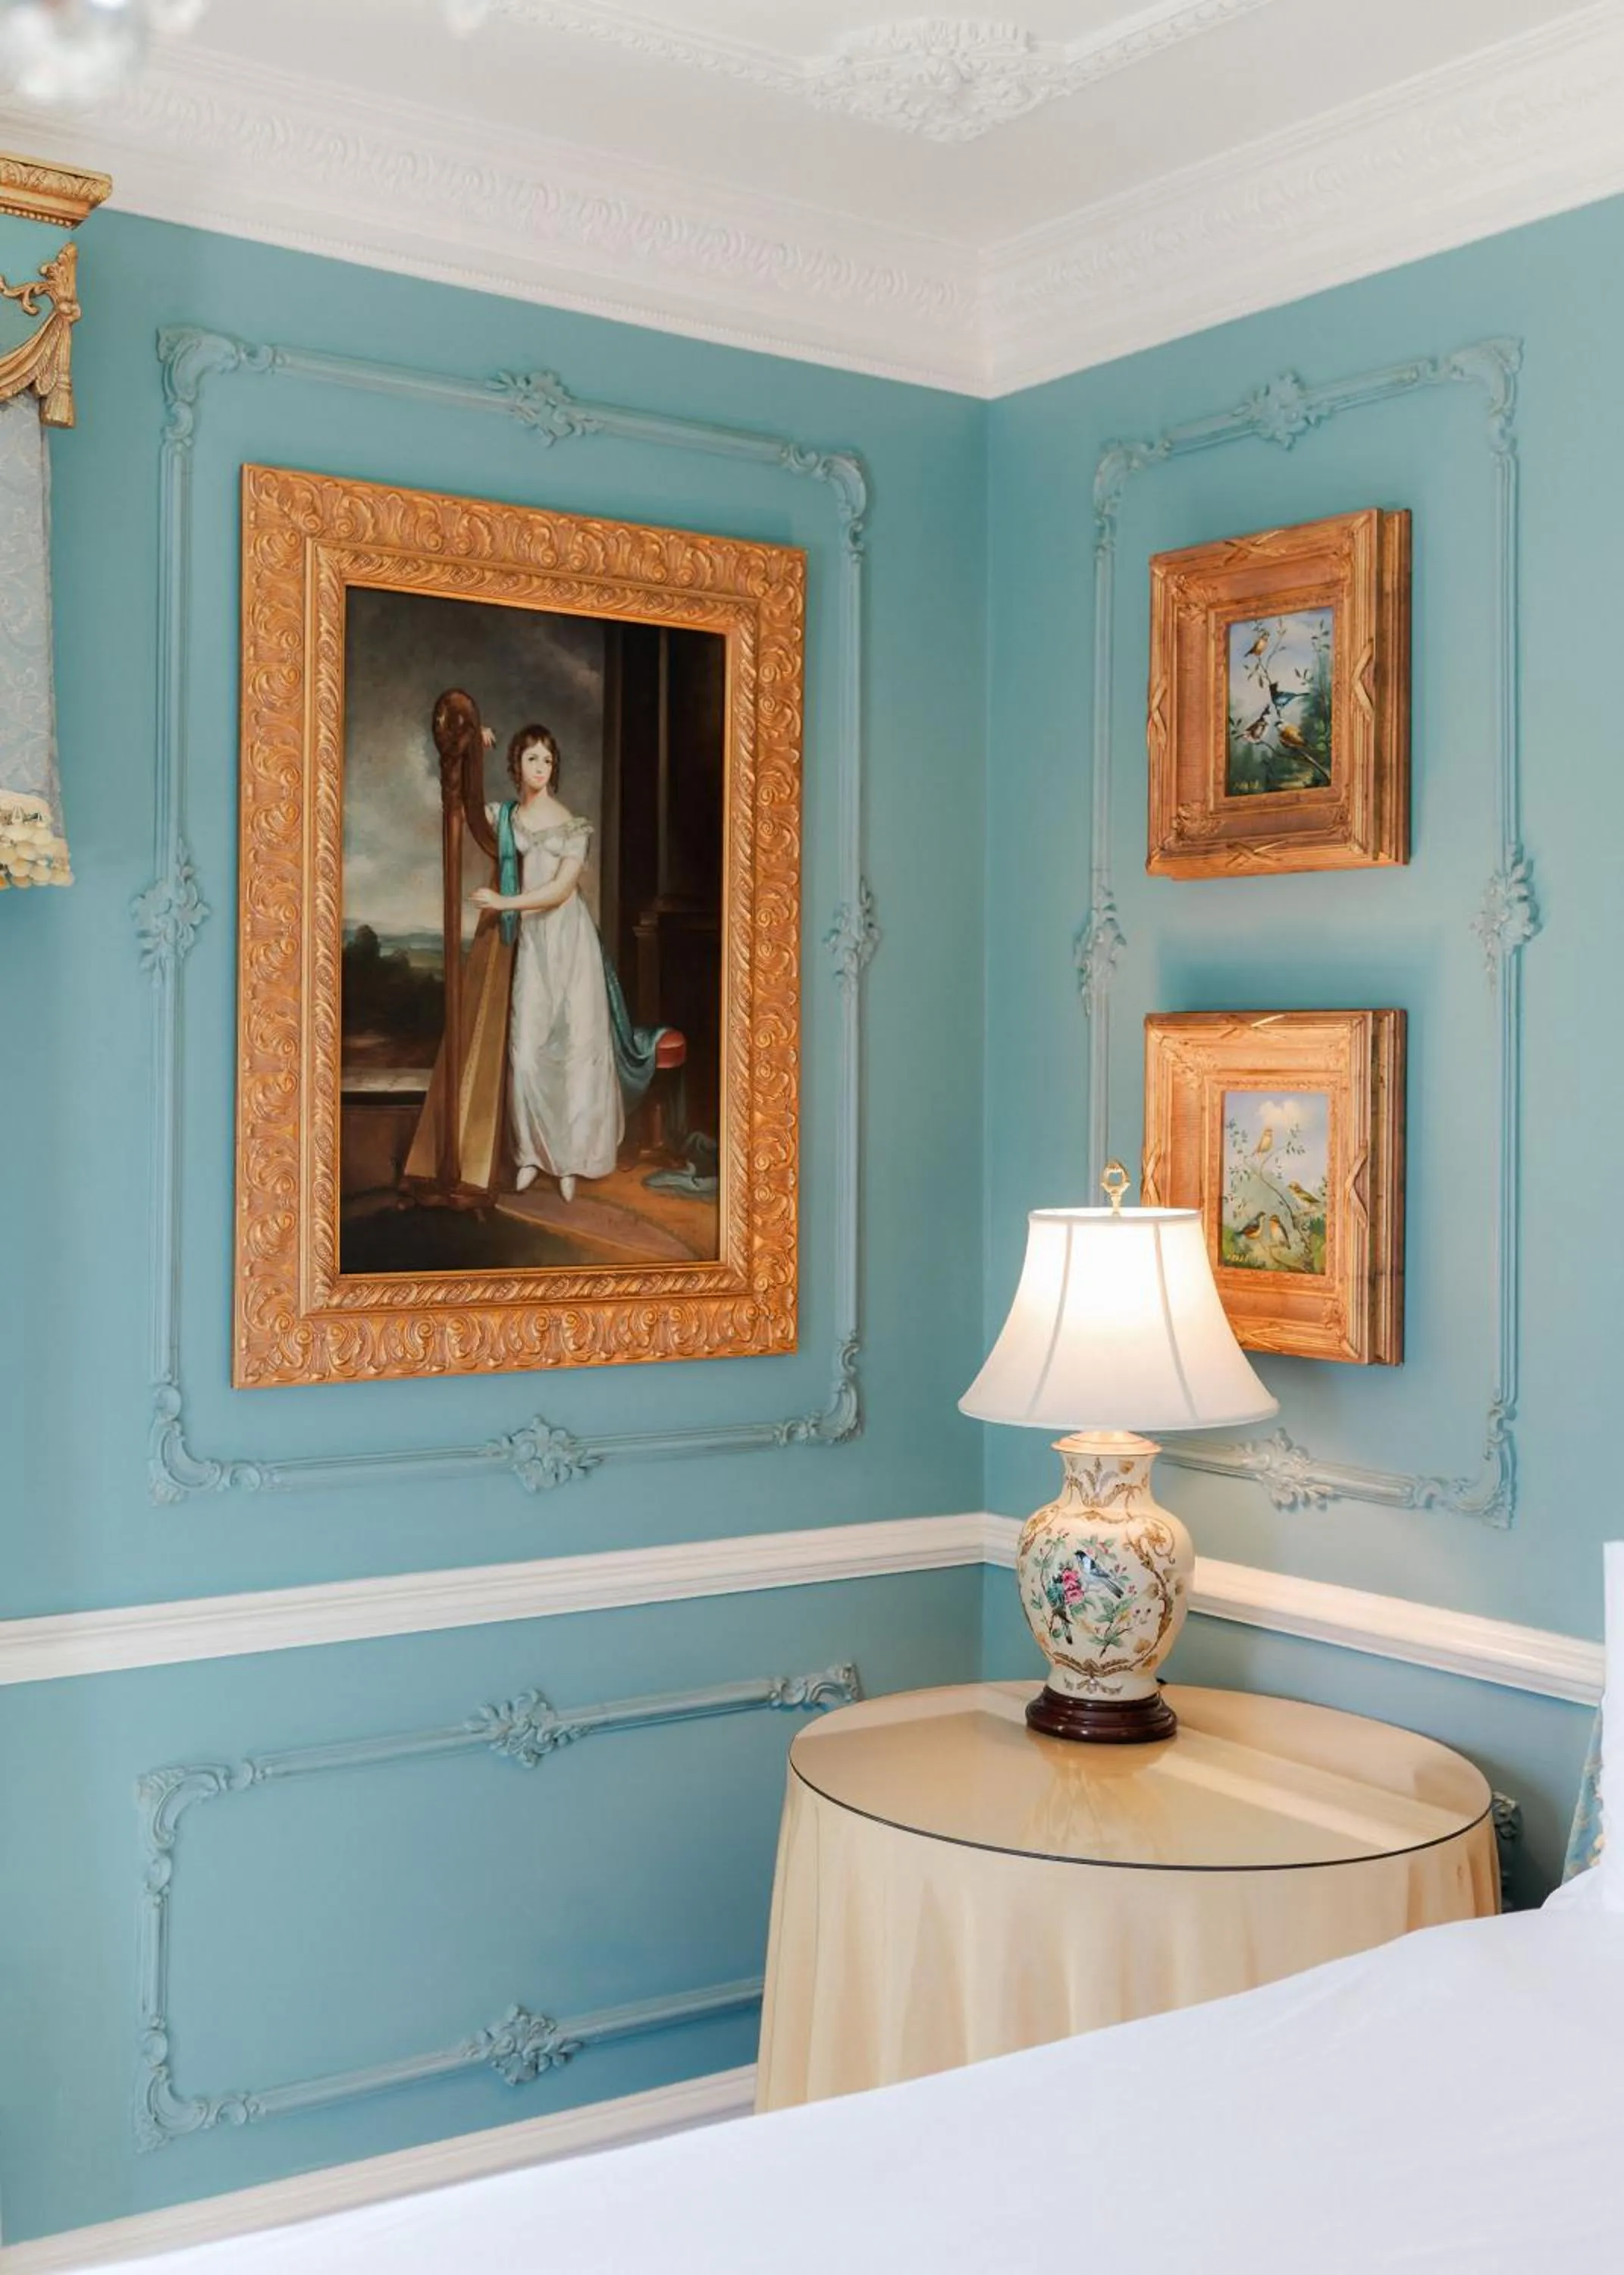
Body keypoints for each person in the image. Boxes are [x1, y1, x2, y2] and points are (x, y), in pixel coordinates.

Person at [470, 724, 621, 1202]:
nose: (541, 768)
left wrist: (501, 901)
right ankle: (532, 1154)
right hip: (531, 945)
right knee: (527, 1049)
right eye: (532, 759)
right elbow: (460, 806)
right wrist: (470, 751)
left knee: (575, 1048)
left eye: (548, 761)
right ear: (516, 765)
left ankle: (571, 1159)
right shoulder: (507, 817)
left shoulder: (572, 826)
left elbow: (559, 892)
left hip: (570, 943)